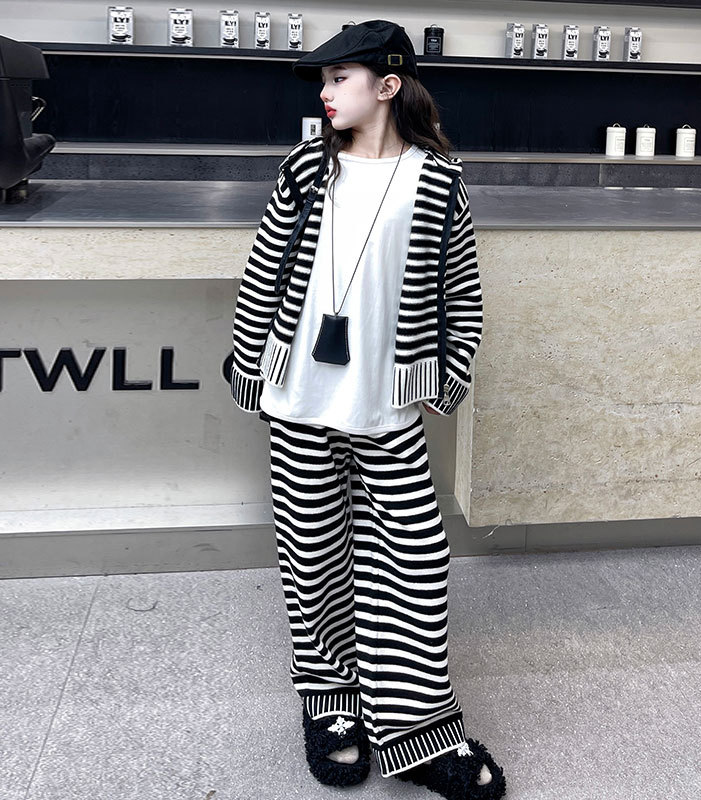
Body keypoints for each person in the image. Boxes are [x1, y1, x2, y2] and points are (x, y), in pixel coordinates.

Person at [228, 19, 506, 800]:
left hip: (386, 404)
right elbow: (263, 271)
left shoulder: (439, 181)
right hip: (299, 396)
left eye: (339, 77)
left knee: (413, 559)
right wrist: (249, 363)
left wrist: (444, 378)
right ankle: (330, 703)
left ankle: (416, 732)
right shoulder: (305, 169)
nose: (325, 92)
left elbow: (463, 297)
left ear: (387, 85)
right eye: (322, 80)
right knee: (313, 553)